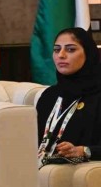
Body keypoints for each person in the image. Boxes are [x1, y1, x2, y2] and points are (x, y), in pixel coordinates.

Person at [37, 27, 101, 164]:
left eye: (70, 49)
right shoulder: (49, 95)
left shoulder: (97, 95)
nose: (61, 55)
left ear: (88, 53)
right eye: (56, 50)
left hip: (77, 170)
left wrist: (84, 150)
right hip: (39, 166)